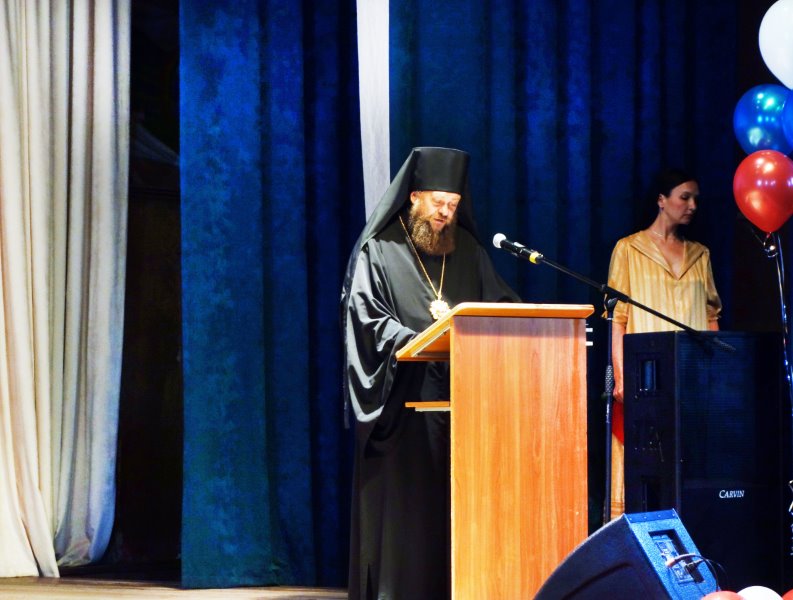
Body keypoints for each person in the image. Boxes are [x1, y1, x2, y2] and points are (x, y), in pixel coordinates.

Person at [340, 147, 520, 600]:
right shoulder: (379, 251)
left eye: (453, 206)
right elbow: (366, 320)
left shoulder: (469, 252)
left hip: (464, 407)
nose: (445, 213)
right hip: (403, 407)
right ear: (415, 196)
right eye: (438, 203)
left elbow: (503, 308)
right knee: (407, 519)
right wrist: (415, 340)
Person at [606, 168, 722, 518]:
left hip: (692, 376)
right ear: (661, 199)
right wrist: (622, 376)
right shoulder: (629, 249)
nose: (692, 206)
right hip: (647, 378)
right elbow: (617, 317)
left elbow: (711, 316)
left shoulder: (700, 254)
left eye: (695, 199)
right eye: (684, 197)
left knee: (688, 461)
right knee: (647, 462)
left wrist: (716, 372)